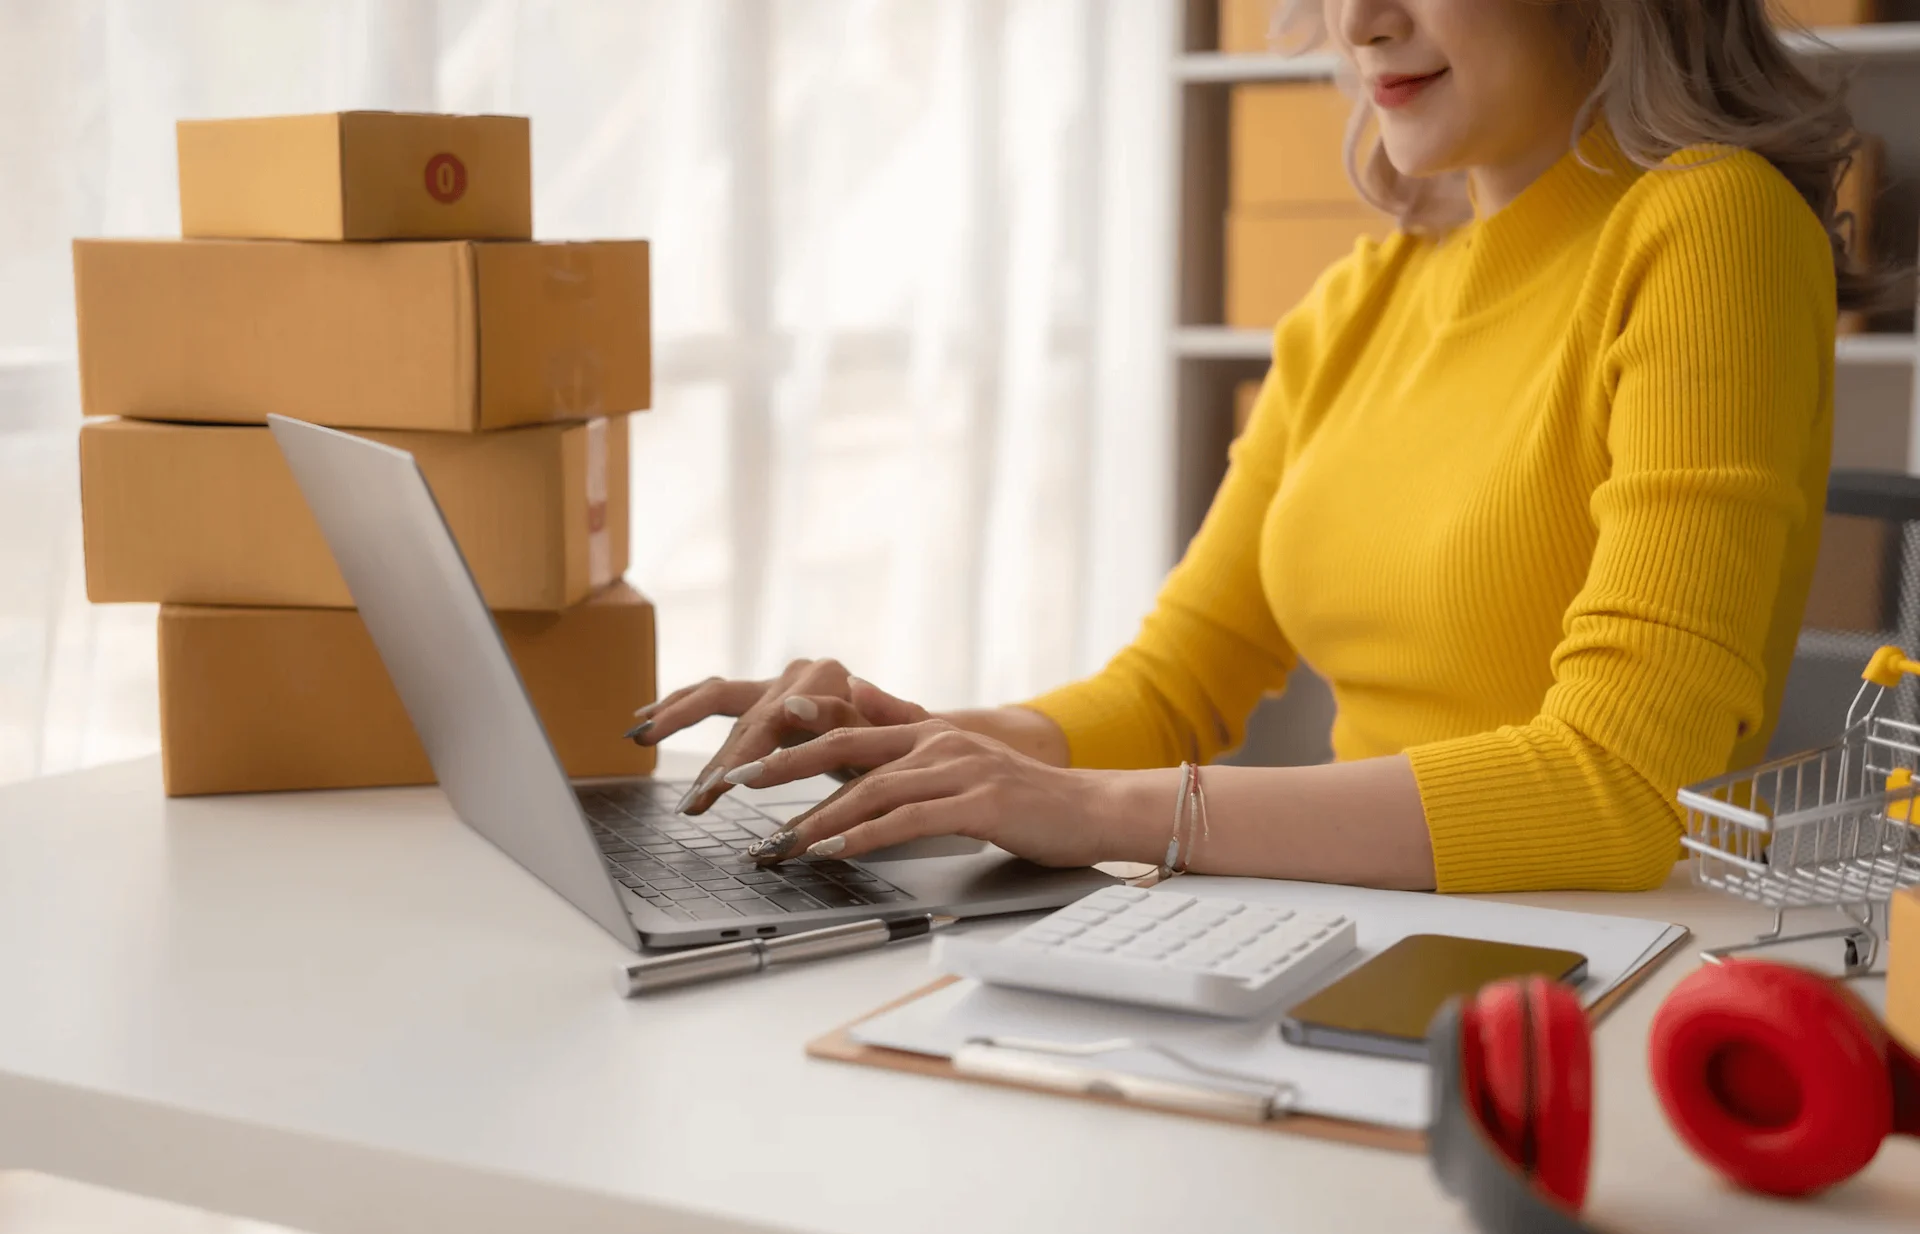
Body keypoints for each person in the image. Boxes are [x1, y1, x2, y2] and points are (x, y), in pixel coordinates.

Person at [630, 0, 1889, 894]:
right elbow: (1169, 690)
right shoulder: (1357, 304)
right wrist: (909, 751)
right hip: (1358, 926)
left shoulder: (1711, 226)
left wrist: (1096, 811)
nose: (1360, 21)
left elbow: (1621, 789)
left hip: (1595, 967)